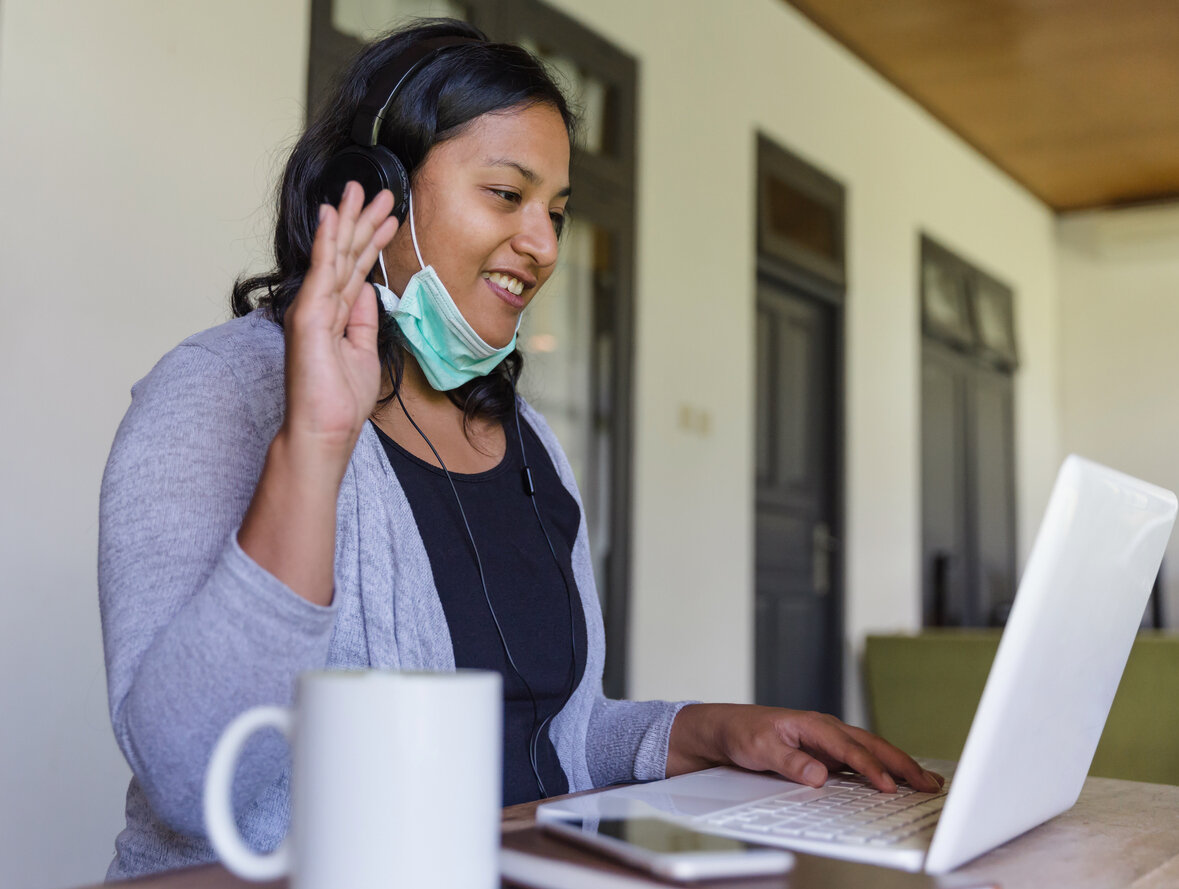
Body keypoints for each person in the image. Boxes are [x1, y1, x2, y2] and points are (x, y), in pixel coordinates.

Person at [98, 18, 942, 881]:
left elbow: (550, 733)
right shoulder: (214, 392)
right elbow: (193, 779)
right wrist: (314, 446)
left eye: (557, 212)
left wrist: (709, 728)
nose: (542, 246)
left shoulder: (525, 436)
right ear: (369, 194)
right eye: (507, 195)